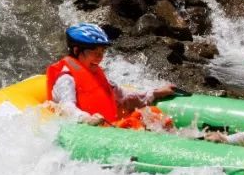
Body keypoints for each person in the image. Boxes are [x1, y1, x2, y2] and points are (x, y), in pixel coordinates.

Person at [46, 23, 176, 129]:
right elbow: (66, 107)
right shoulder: (65, 78)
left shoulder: (95, 72)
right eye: (95, 52)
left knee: (154, 113)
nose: (99, 57)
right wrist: (87, 119)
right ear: (76, 51)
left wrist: (155, 93)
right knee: (135, 126)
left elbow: (123, 96)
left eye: (102, 52)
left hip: (108, 127)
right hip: (87, 130)